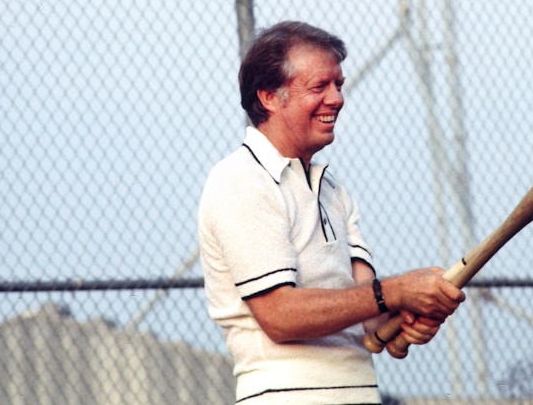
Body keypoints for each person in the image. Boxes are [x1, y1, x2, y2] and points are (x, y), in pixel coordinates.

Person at [198, 21, 465, 404]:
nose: (337, 98)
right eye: (319, 86)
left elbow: (368, 312)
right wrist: (396, 291)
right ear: (270, 97)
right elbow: (280, 315)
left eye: (338, 84)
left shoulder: (332, 188)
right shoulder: (239, 180)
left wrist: (404, 318)